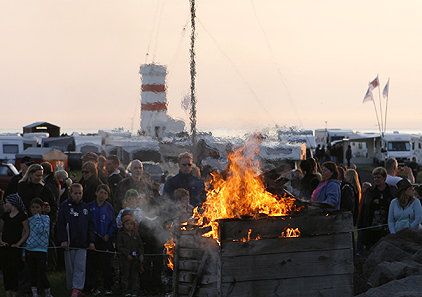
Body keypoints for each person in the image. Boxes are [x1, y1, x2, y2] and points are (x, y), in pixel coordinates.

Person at [57, 183, 95, 297]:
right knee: (70, 267)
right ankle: (71, 287)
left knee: (80, 266)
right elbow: (61, 224)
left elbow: (90, 225)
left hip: (82, 243)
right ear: (70, 193)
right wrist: (63, 239)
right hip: (69, 243)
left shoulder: (86, 207)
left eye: (80, 193)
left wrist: (91, 241)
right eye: (75, 193)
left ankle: (77, 289)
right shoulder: (65, 206)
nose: (77, 196)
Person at [86, 184, 116, 296]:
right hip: (93, 240)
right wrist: (90, 239)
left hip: (105, 239)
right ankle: (93, 286)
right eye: (101, 192)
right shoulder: (89, 206)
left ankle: (108, 287)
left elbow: (113, 223)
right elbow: (87, 223)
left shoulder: (109, 207)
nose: (102, 195)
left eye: (105, 193)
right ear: (96, 193)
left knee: (106, 265)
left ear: (107, 196)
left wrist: (108, 235)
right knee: (93, 265)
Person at [358, 167, 395, 251]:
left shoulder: (391, 190)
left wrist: (381, 202)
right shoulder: (370, 191)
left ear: (384, 178)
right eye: (375, 177)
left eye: (378, 177)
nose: (376, 179)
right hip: (372, 225)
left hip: (386, 224)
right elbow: (365, 207)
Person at [0, 194, 29, 297]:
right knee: (6, 270)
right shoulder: (5, 216)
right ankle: (7, 292)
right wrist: (1, 242)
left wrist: (18, 243)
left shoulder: (22, 216)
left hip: (16, 248)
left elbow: (26, 231)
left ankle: (15, 292)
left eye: (6, 203)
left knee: (15, 270)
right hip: (6, 247)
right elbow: (0, 230)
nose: (5, 205)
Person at [25, 198, 53, 297]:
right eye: (33, 207)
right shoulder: (28, 220)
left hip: (41, 250)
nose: (34, 210)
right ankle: (34, 293)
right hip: (30, 249)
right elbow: (26, 234)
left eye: (37, 207)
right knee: (32, 273)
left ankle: (48, 293)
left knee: (42, 273)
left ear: (41, 208)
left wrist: (37, 216)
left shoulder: (46, 218)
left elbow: (41, 230)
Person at [116, 215, 144, 297]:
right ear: (123, 224)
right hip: (125, 259)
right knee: (125, 276)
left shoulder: (136, 234)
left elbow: (140, 245)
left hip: (135, 259)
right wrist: (127, 254)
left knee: (134, 276)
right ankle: (126, 291)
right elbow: (119, 246)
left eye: (131, 224)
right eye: (127, 224)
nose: (129, 226)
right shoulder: (121, 235)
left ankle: (134, 291)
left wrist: (141, 254)